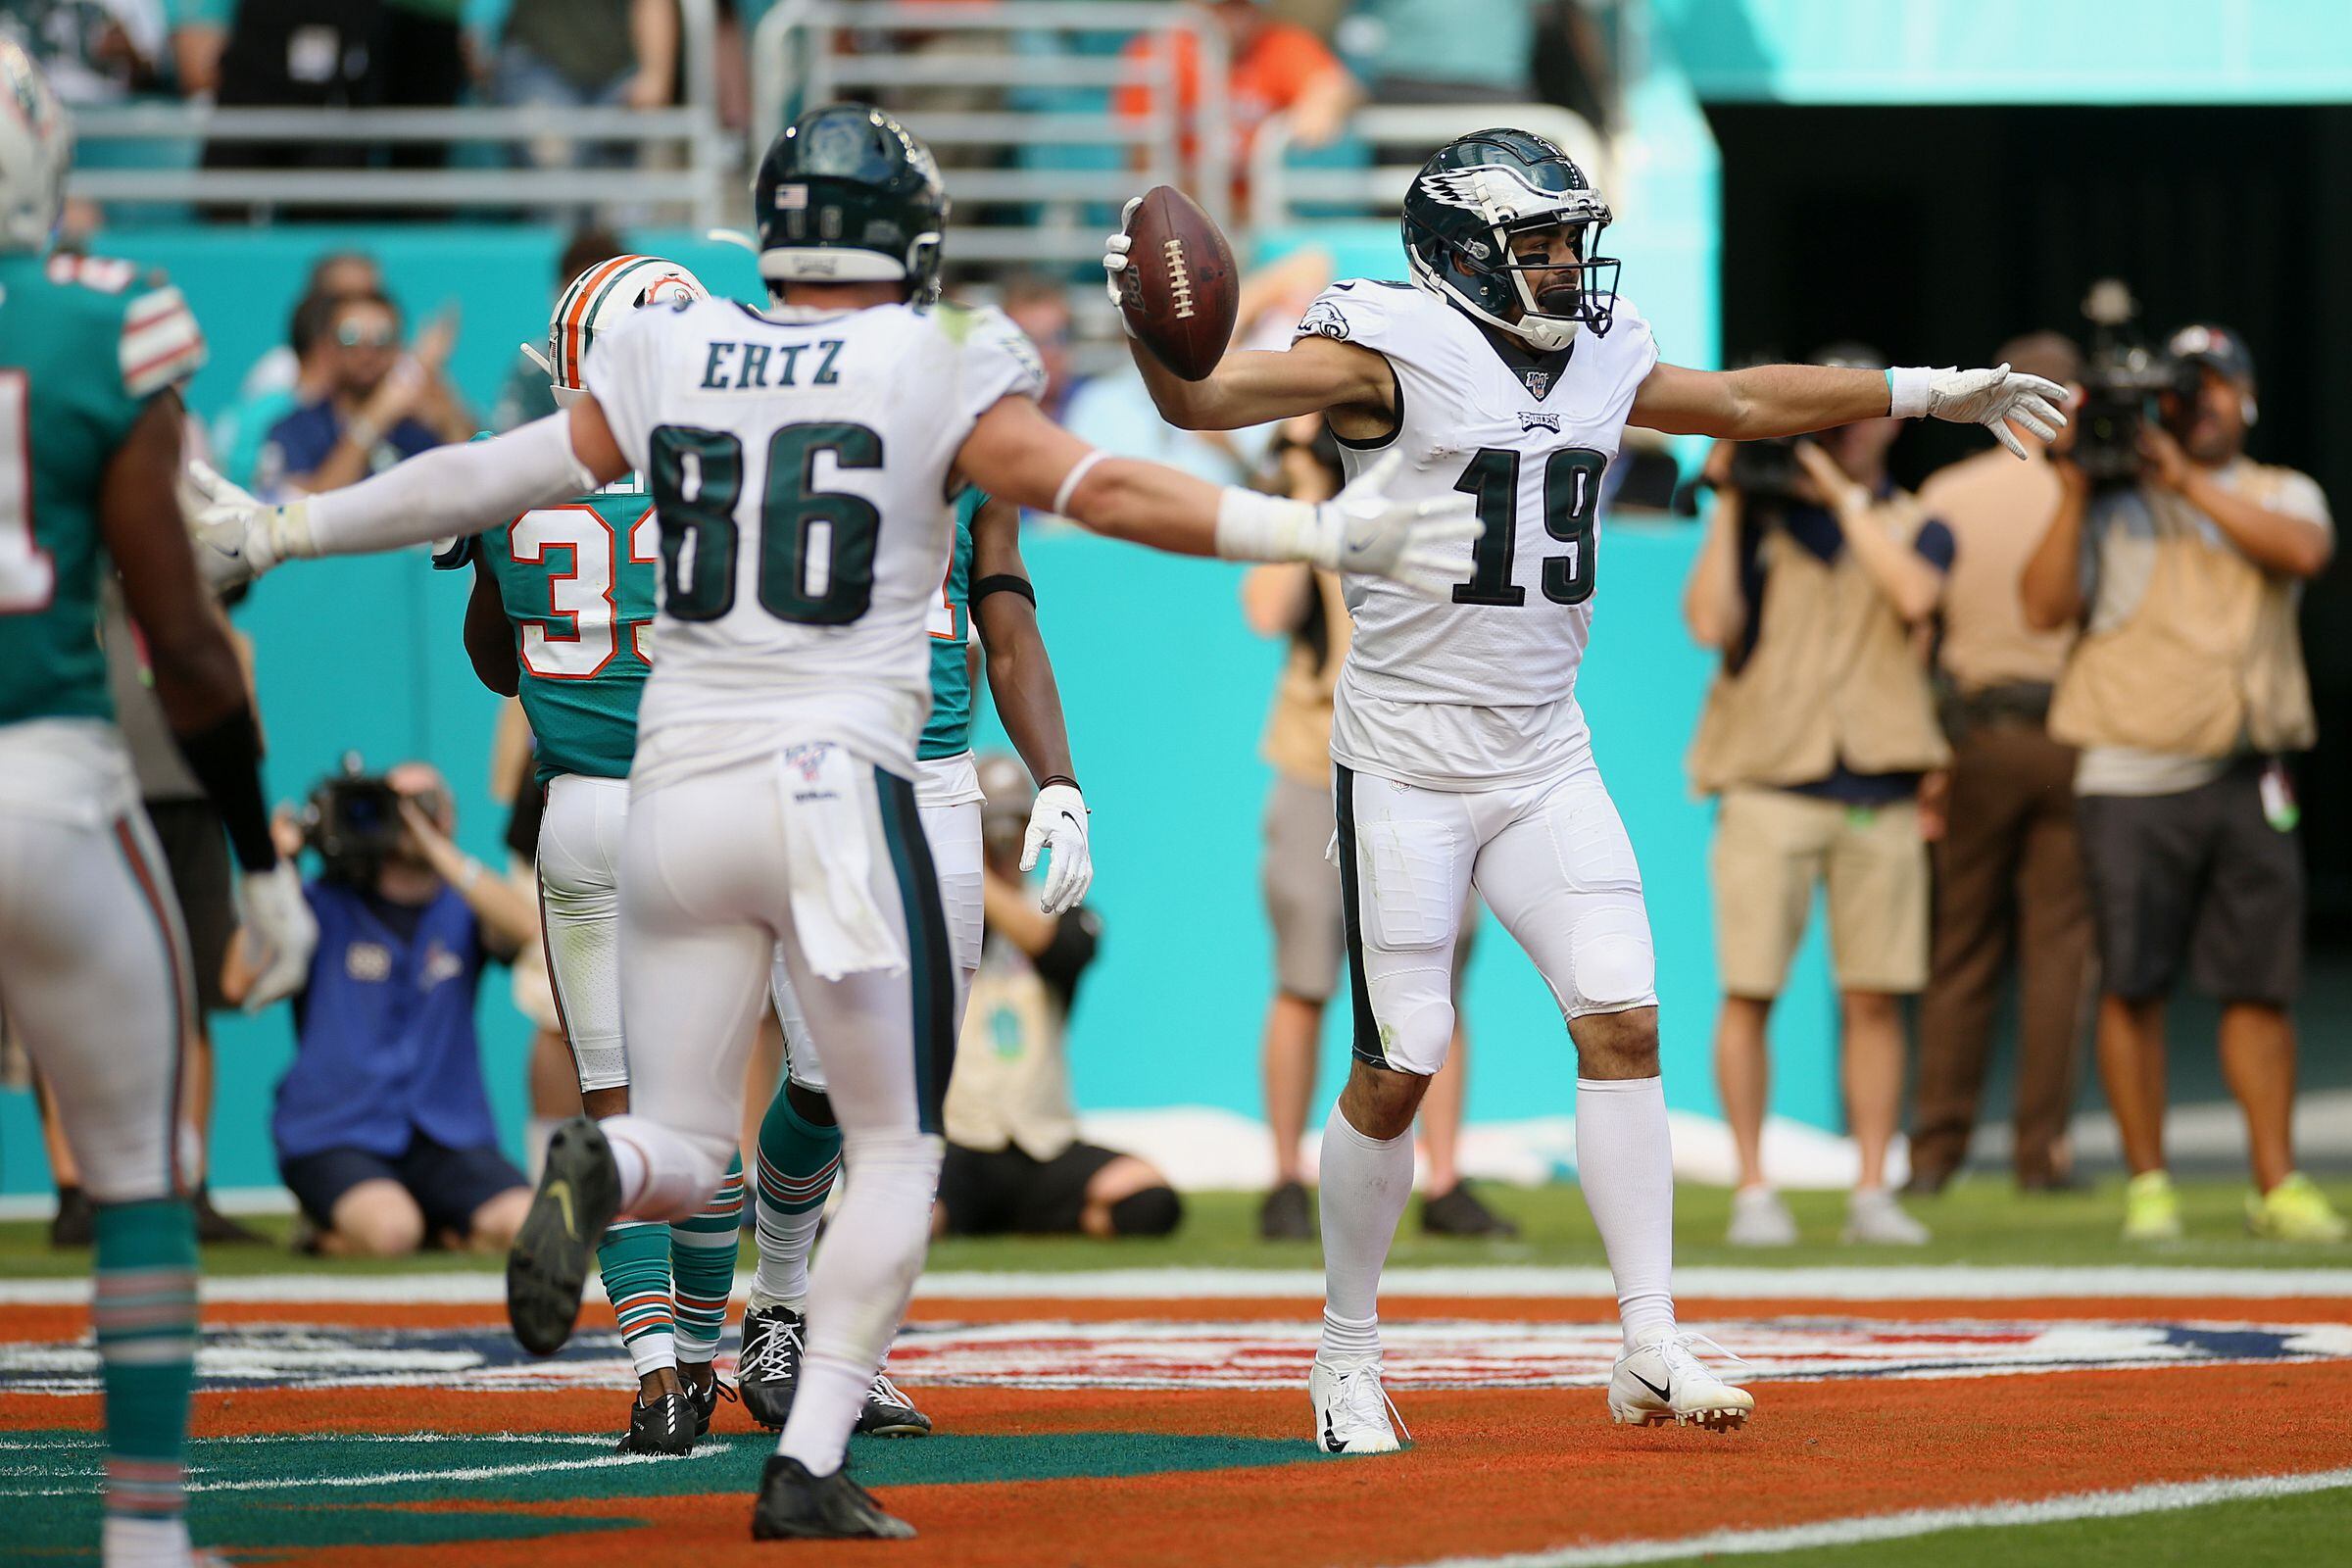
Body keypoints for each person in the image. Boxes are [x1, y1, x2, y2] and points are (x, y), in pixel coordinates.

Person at [184, 103, 1473, 1541]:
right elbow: (1092, 483)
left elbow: (496, 475)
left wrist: (290, 527)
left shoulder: (673, 355)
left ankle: (602, 1170)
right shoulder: (935, 360)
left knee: (670, 1131)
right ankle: (802, 1458)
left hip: (671, 798)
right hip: (833, 795)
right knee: (897, 1144)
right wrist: (1306, 531)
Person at [1102, 126, 2065, 1449]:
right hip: (1406, 758)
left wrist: (1921, 389)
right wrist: (1157, 322)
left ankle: (1650, 1338)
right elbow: (1202, 405)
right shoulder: (1385, 343)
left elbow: (1734, 403)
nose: (1566, 268)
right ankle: (1343, 1350)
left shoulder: (1605, 350)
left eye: (1568, 241)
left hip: (1546, 748)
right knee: (1406, 1061)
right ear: (1459, 253)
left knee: (1624, 1021)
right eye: (1539, 245)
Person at [0, 40, 314, 1568]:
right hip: (46, 783)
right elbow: (184, 636)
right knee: (136, 1178)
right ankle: (142, 1540)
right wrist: (259, 858)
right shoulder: (102, 320)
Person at [436, 251, 760, 1454]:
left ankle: (648, 1378)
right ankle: (696, 1357)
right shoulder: (739, 473)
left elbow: (498, 658)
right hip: (706, 807)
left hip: (579, 813)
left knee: (613, 1095)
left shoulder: (522, 475)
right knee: (701, 1122)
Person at [743, 479, 1092, 1439]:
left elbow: (1006, 619)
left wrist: (1057, 777)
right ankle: (776, 1302)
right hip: (805, 763)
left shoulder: (973, 430)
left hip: (938, 777)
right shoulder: (779, 406)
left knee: (914, 1106)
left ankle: (852, 1353)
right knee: (819, 1075)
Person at [2022, 323, 2345, 1244]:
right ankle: (2149, 1183)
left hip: (2248, 770)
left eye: (2211, 389)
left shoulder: (2284, 489)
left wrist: (2184, 480)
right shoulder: (2110, 502)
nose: (2196, 407)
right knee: (2134, 981)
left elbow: (2305, 554)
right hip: (2129, 772)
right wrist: (2076, 487)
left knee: (2260, 986)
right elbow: (2042, 608)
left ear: (2244, 396)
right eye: (2180, 391)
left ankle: (2276, 1183)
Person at [1684, 350, 1952, 1250]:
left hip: (1877, 781)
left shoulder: (1916, 519)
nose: (1848, 427)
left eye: (1864, 406)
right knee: (1749, 989)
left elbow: (1916, 595)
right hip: (1766, 777)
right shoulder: (1756, 522)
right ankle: (1754, 1186)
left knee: (1876, 994)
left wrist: (1841, 496)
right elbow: (1710, 627)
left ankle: (1874, 1186)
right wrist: (1729, 497)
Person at [1247, 415, 1510, 1243]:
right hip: (1314, 760)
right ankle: (1285, 1173)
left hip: (1423, 760)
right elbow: (1267, 609)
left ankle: (1445, 1176)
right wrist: (1302, 492)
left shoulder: (1421, 504)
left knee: (1439, 980)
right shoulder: (1305, 518)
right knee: (1304, 977)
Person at [1907, 331, 2093, 1196]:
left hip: (1977, 736)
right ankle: (2041, 1155)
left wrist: (1926, 755)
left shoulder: (1948, 493)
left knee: (1961, 953)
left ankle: (1933, 1155)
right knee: (2060, 953)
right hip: (2076, 733)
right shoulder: (2101, 495)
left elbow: (1915, 627)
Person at [228, 762, 536, 1258]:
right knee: (393, 1233)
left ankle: (442, 1224)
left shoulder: (466, 908)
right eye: (397, 806)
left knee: (527, 1224)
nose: (411, 818)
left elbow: (527, 930)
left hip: (445, 1135)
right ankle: (327, 1234)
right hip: (338, 1129)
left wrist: (437, 851)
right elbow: (237, 980)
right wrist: (271, 867)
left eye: (427, 804)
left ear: (451, 820)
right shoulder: (323, 904)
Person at [934, 752, 1179, 1238]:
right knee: (898, 1219)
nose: (1003, 841)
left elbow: (1056, 950)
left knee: (1151, 1201)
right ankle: (977, 1216)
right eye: (991, 827)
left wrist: (970, 874)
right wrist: (956, 871)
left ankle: (1044, 1215)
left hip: (1042, 1145)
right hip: (960, 1146)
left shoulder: (1059, 909)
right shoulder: (939, 912)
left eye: (1015, 825)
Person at [254, 290, 469, 500]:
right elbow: (305, 512)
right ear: (328, 348)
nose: (366, 351)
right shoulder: (294, 430)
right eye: (350, 336)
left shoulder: (417, 428)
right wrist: (377, 415)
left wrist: (443, 405)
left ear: (398, 347)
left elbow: (473, 487)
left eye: (382, 337)